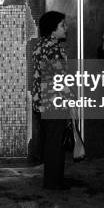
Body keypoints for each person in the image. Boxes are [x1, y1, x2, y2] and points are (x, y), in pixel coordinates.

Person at [32, 11, 71, 190]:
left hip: (42, 101)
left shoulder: (41, 45)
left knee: (51, 141)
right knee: (55, 142)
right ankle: (53, 182)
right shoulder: (54, 49)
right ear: (53, 31)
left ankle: (52, 179)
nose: (66, 28)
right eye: (62, 25)